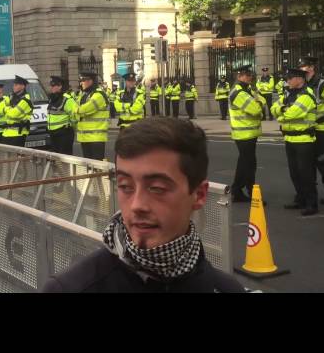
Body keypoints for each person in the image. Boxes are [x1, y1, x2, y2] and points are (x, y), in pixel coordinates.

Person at [41, 117, 245, 293]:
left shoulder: (227, 289)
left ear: (199, 195)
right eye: (125, 186)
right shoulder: (68, 289)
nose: (137, 205)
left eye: (157, 188)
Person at [271, 68, 319, 216]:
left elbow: (292, 114)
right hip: (290, 139)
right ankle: (300, 199)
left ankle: (311, 204)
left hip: (304, 139)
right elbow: (274, 108)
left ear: (299, 79)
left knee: (306, 174)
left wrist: (281, 115)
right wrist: (283, 109)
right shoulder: (288, 94)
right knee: (295, 173)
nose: (287, 81)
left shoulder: (307, 94)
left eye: (290, 78)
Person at [297, 57, 324, 205]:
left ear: (311, 67)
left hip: (321, 130)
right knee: (307, 164)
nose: (302, 69)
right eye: (301, 67)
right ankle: (309, 193)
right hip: (307, 130)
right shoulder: (302, 85)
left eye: (304, 67)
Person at [228, 65, 265, 202]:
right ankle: (250, 193)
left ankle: (237, 191)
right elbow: (256, 109)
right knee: (248, 165)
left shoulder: (247, 89)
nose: (250, 77)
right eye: (246, 75)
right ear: (239, 77)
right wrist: (259, 103)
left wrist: (259, 101)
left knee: (245, 163)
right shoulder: (238, 92)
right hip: (244, 134)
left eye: (250, 75)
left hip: (249, 133)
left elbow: (262, 99)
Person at [73, 72, 109, 160]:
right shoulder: (83, 94)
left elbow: (85, 109)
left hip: (96, 138)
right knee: (88, 167)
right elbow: (75, 109)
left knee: (97, 168)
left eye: (83, 80)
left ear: (91, 81)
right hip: (84, 138)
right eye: (81, 80)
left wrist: (78, 111)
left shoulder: (99, 95)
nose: (81, 83)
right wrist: (78, 111)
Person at [47, 76, 77, 155]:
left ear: (60, 86)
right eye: (51, 85)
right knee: (56, 159)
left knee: (65, 158)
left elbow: (75, 116)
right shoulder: (52, 99)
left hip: (64, 133)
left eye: (53, 85)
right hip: (53, 133)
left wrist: (70, 126)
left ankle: (66, 168)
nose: (51, 87)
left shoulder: (67, 99)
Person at [1, 76, 33, 147]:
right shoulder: (12, 96)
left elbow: (13, 114)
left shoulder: (25, 100)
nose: (13, 87)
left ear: (23, 86)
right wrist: (8, 109)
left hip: (18, 134)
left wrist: (6, 109)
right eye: (14, 84)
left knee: (16, 157)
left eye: (16, 85)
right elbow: (0, 108)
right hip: (7, 133)